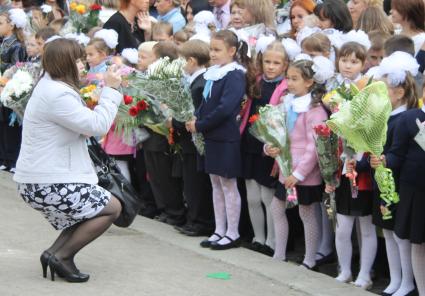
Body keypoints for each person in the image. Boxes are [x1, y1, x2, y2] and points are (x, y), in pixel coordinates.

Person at [13, 38, 123, 283]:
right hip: (46, 181)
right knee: (112, 208)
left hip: (42, 177)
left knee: (92, 210)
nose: (83, 65)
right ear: (65, 63)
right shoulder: (57, 94)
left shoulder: (50, 86)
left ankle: (54, 254)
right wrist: (111, 90)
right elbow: (97, 126)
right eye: (78, 60)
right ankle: (62, 256)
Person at [265, 57, 331, 269]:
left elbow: (314, 146)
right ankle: (279, 253)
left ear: (309, 82)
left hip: (303, 174)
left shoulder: (315, 110)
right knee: (277, 208)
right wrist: (269, 147)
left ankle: (310, 259)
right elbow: (275, 133)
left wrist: (300, 174)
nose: (289, 83)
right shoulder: (287, 103)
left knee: (307, 214)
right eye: (288, 78)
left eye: (295, 79)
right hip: (285, 169)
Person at [186, 30, 249, 250]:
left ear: (231, 51)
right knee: (215, 184)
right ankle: (219, 229)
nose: (212, 54)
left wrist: (200, 125)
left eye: (217, 50)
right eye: (211, 49)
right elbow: (206, 102)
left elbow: (225, 108)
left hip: (225, 137)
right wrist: (196, 116)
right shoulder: (213, 72)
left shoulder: (235, 75)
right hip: (211, 136)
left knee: (228, 184)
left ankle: (233, 232)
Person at [371, 51, 419, 296]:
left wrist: (385, 160)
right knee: (387, 232)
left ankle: (408, 282)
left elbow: (401, 153)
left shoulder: (405, 120)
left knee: (401, 236)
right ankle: (396, 278)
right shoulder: (386, 118)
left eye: (383, 90)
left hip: (398, 184)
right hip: (383, 182)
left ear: (399, 93)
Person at [241, 41, 289, 257]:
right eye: (267, 61)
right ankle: (257, 237)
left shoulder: (285, 87)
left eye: (276, 63)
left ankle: (271, 240)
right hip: (250, 141)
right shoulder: (257, 81)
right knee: (252, 196)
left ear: (285, 64)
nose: (270, 66)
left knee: (267, 196)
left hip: (268, 146)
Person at [170, 39, 214, 237]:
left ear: (192, 61)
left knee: (196, 184)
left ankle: (199, 221)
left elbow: (191, 113)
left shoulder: (200, 83)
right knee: (190, 183)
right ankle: (193, 218)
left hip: (195, 142)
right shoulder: (195, 80)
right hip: (188, 142)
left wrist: (174, 122)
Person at [0, 8, 27, 173]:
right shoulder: (3, 41)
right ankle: (3, 157)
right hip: (2, 85)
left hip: (10, 87)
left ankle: (12, 159)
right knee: (1, 124)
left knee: (10, 125)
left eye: (1, 23)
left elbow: (16, 67)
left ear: (12, 26)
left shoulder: (17, 46)